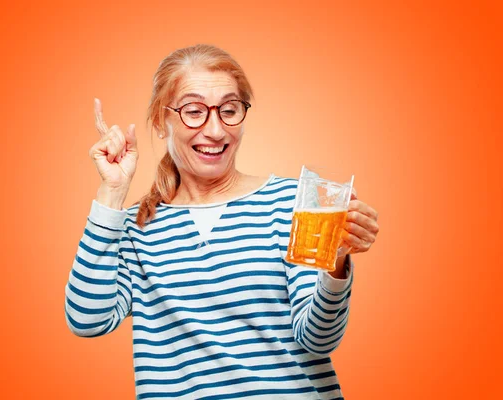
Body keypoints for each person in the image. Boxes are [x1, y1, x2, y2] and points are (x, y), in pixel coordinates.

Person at [65, 44, 379, 400]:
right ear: (160, 121)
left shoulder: (291, 205)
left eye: (229, 110)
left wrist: (335, 264)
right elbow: (87, 320)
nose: (215, 130)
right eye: (194, 111)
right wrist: (112, 193)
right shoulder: (137, 227)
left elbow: (319, 339)